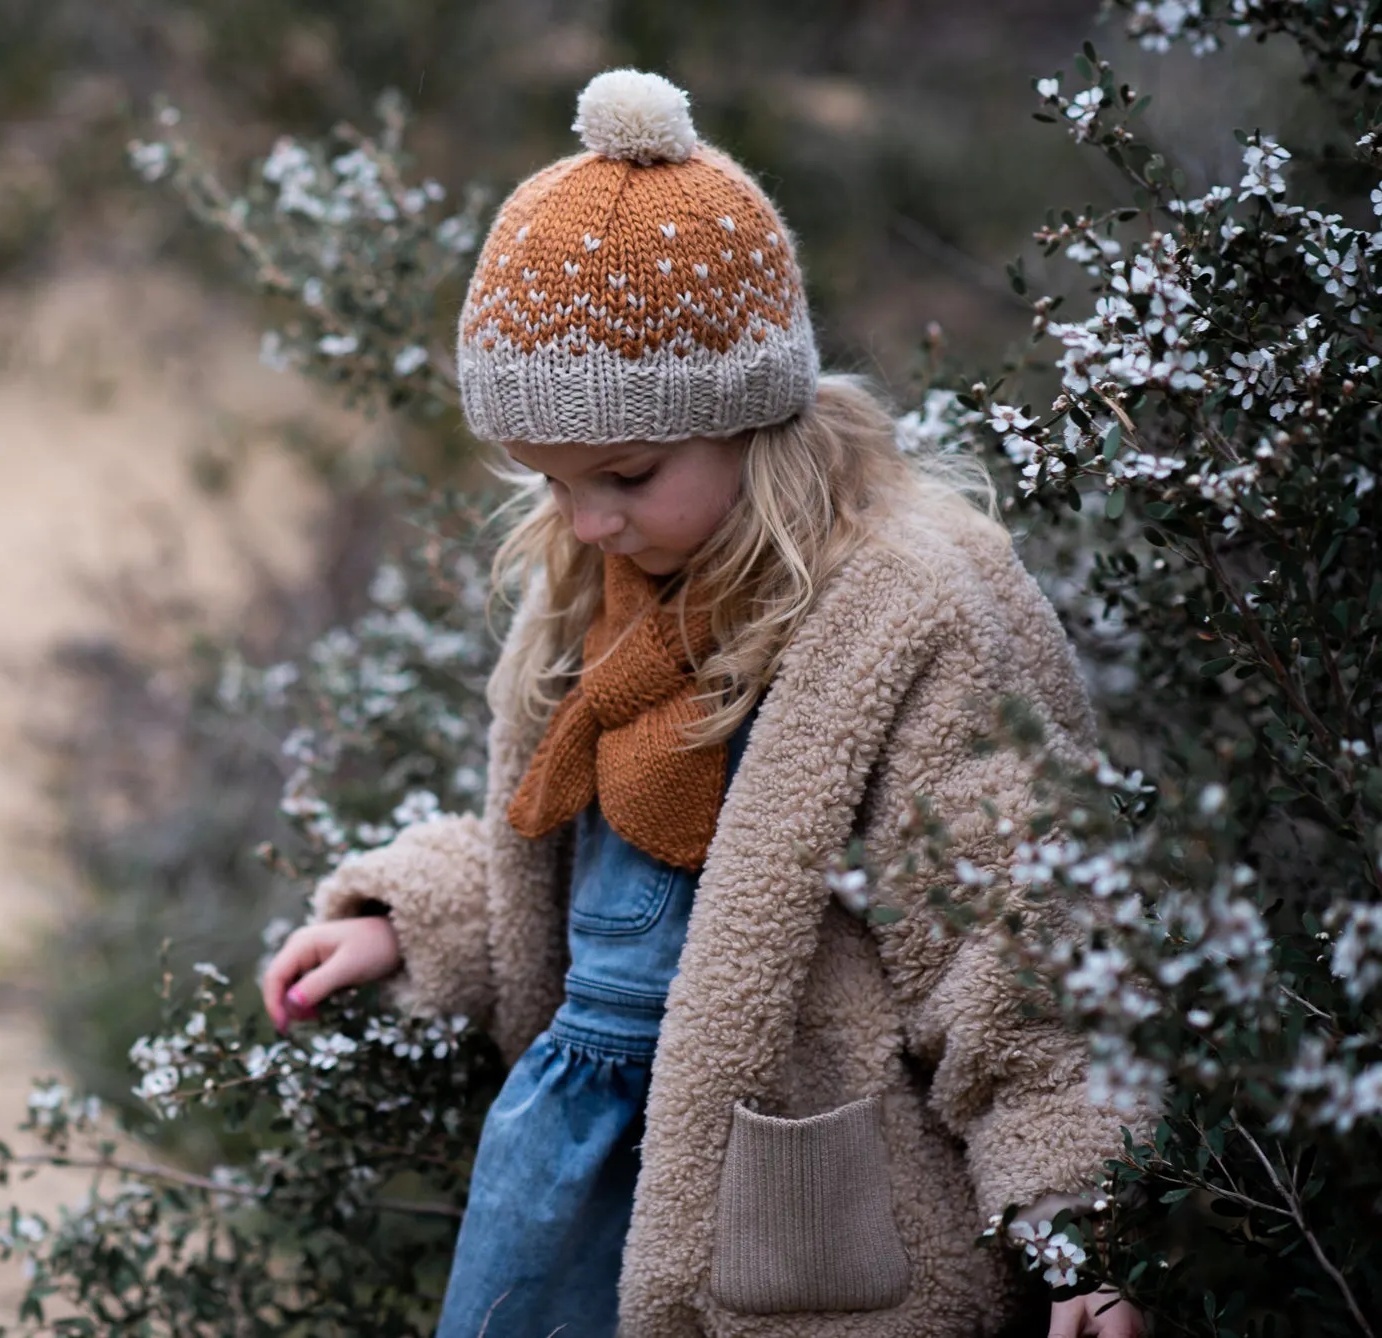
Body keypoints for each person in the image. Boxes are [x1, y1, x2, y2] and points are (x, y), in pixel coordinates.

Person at [260, 68, 1145, 1338]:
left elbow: (1014, 946)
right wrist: (420, 922)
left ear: (749, 416)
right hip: (572, 1162)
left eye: (623, 472)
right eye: (549, 480)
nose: (584, 518)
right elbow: (570, 871)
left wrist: (1081, 1236)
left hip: (801, 1205)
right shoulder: (600, 579)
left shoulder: (908, 612)